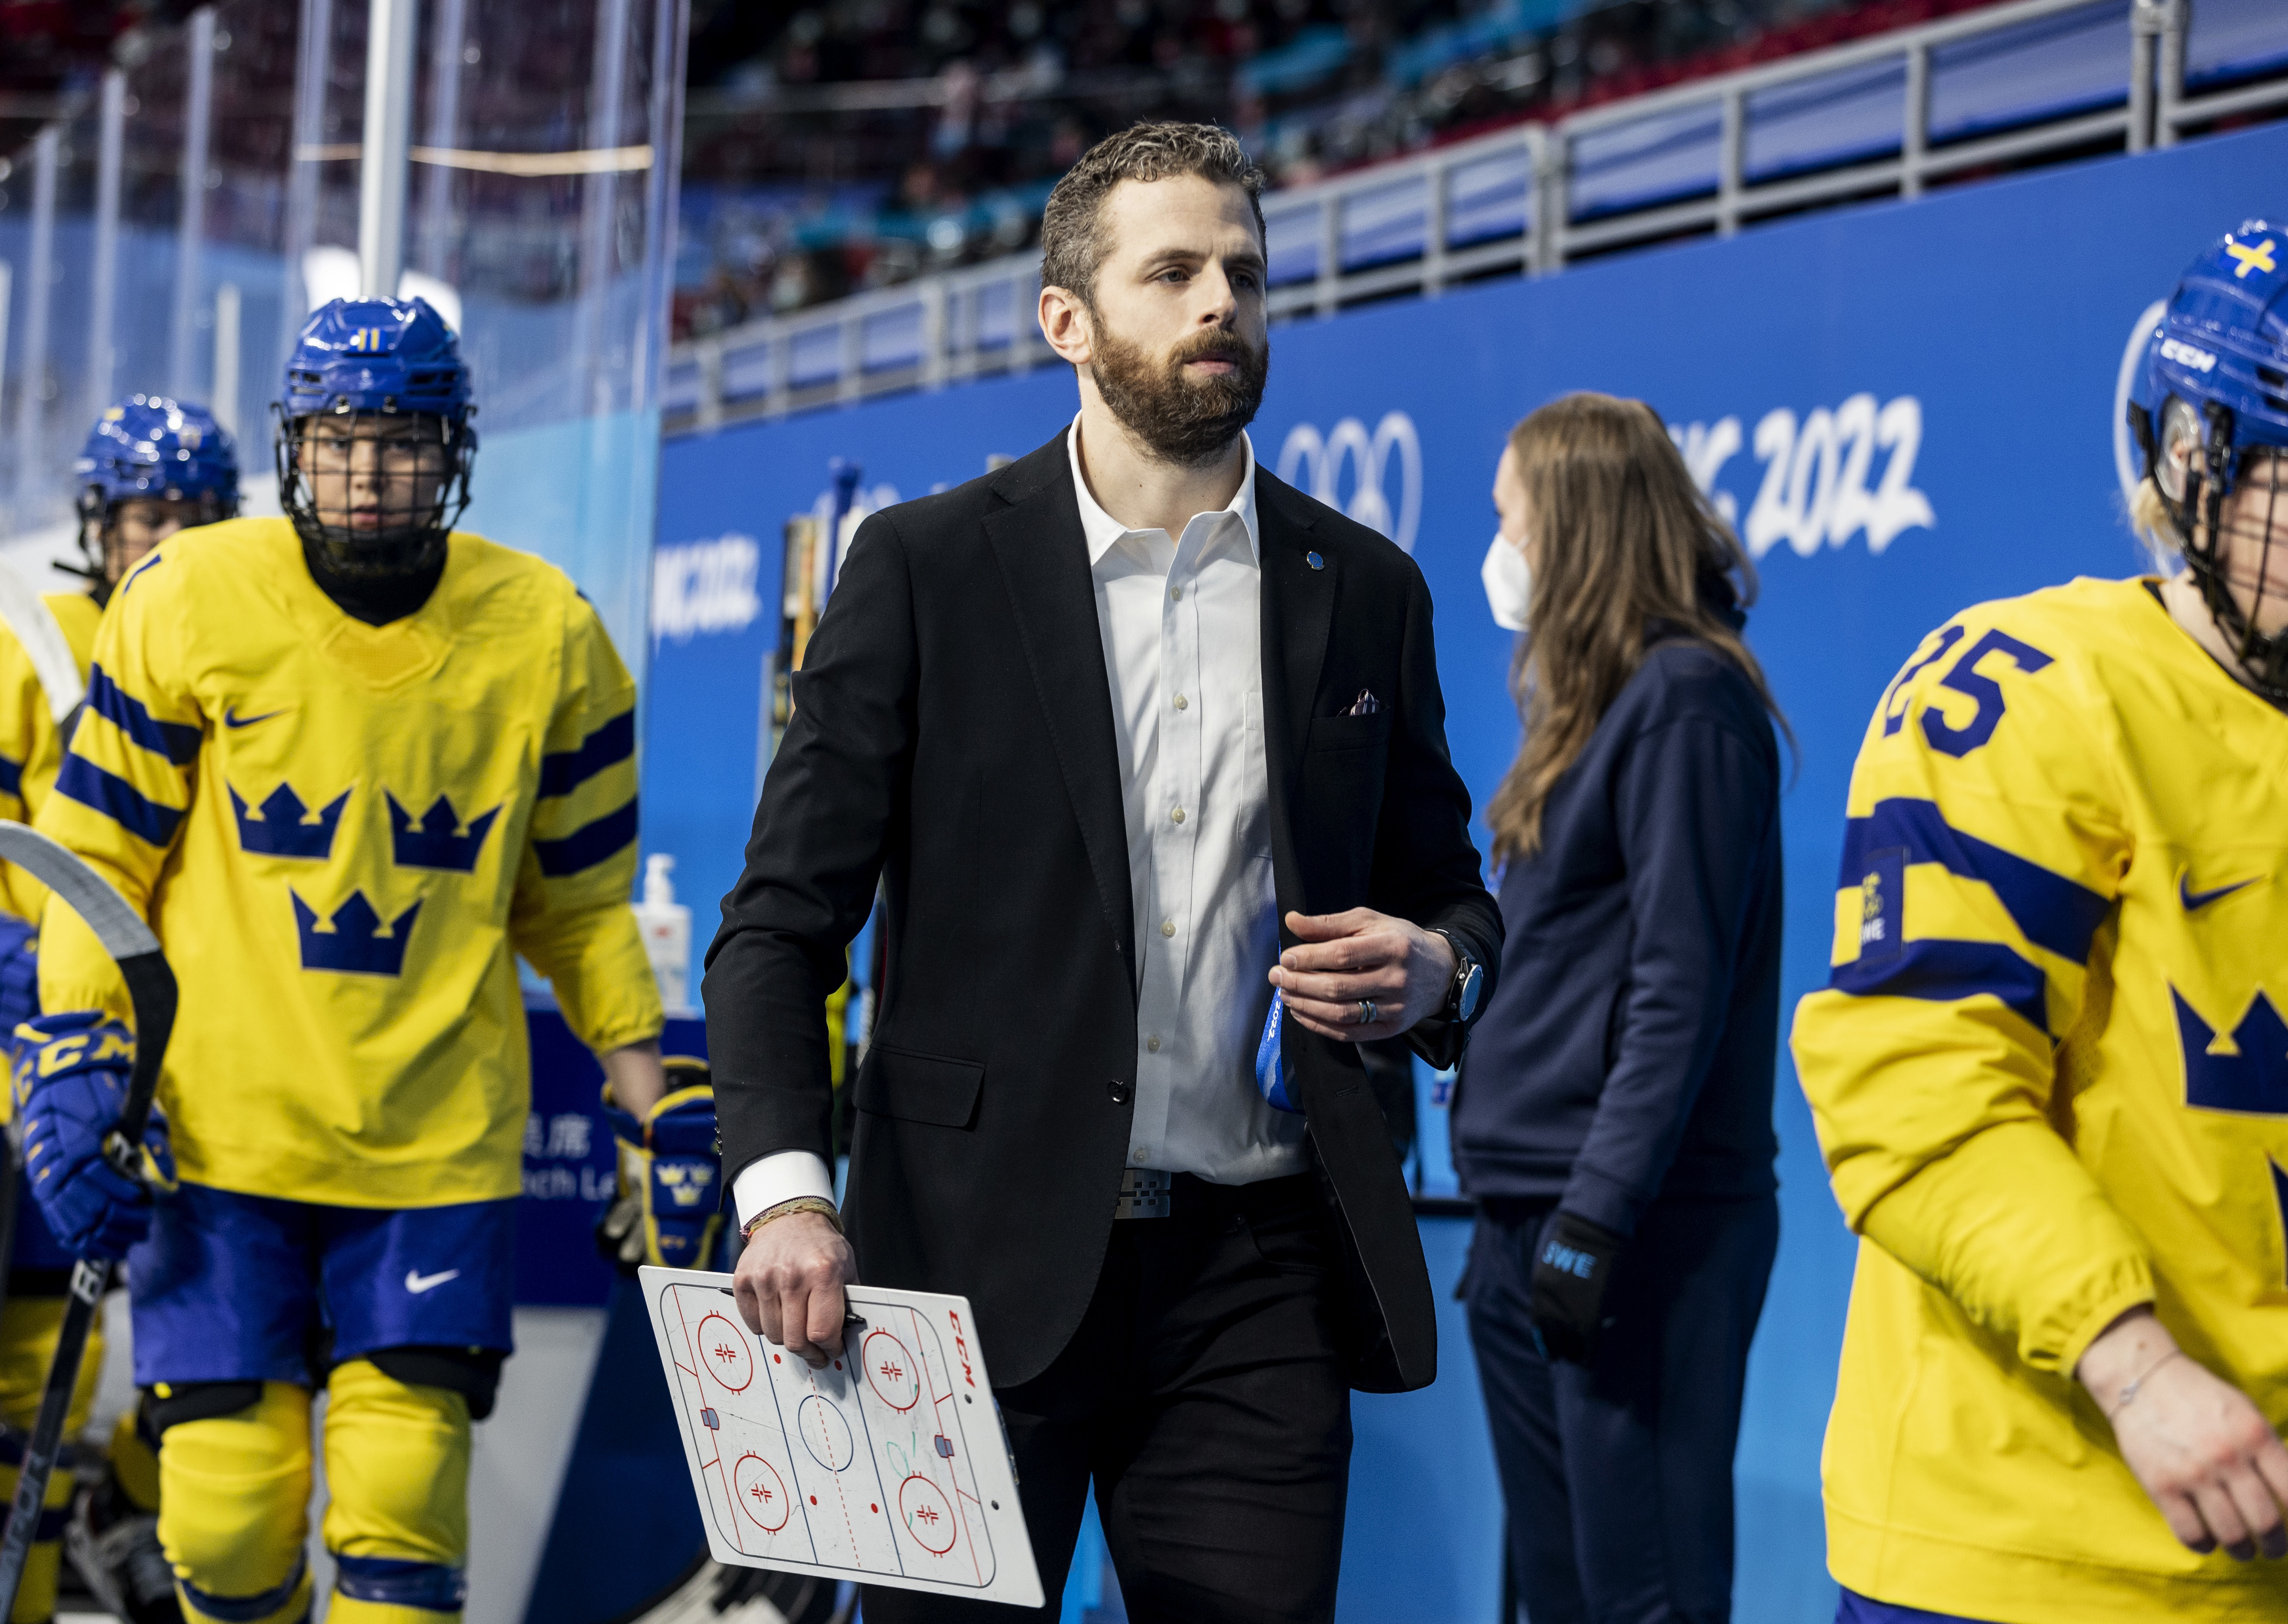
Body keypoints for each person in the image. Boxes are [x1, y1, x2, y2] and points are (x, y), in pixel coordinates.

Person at [704, 120, 1502, 1624]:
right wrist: (785, 1200)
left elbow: (1450, 891)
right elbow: (776, 928)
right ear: (1066, 322)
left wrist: (1439, 969)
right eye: (1176, 272)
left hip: (1258, 1274)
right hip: (960, 1273)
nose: (1222, 304)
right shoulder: (926, 569)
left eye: (1245, 275)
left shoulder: (1368, 589)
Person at [10, 295, 674, 1624]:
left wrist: (651, 1113)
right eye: (336, 439)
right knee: (225, 1511)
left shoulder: (551, 634)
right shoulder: (186, 598)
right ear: (291, 448)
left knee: (402, 1505)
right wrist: (75, 1054)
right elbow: (96, 867)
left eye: (402, 441)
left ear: (454, 452)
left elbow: (584, 909)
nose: (367, 472)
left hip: (432, 1145)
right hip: (218, 1134)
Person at [1791, 219, 2288, 1621]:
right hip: (2028, 1553)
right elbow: (1918, 1096)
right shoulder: (2032, 691)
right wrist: (2135, 1366)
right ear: (2195, 464)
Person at [1452, 392, 1786, 1624]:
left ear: (1577, 526)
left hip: (1634, 1232)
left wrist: (1592, 1216)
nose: (1498, 551)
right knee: (1562, 1599)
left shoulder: (1688, 701)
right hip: (1525, 1219)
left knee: (1642, 1598)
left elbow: (1675, 988)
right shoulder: (1585, 710)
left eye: (1509, 521)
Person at [0, 393, 239, 1621]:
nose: (163, 539)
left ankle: (111, 1519)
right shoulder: (28, 646)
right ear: (99, 522)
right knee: (38, 1361)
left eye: (192, 516)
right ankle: (24, 1601)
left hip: (214, 1075)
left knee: (214, 1365)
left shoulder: (244, 644)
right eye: (144, 515)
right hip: (50, 1072)